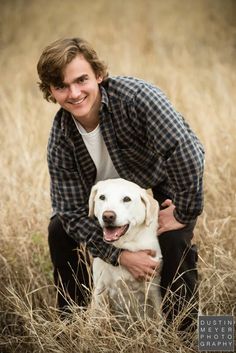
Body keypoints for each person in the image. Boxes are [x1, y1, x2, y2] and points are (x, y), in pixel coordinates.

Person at [37, 37, 204, 330]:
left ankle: (188, 332)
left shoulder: (139, 98)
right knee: (59, 230)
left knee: (174, 240)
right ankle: (73, 323)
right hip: (103, 198)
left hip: (156, 180)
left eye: (82, 80)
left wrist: (182, 213)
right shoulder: (60, 137)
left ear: (98, 75)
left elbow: (188, 153)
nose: (74, 93)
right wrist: (120, 255)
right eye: (62, 86)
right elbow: (71, 211)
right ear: (51, 91)